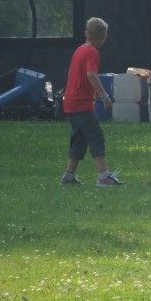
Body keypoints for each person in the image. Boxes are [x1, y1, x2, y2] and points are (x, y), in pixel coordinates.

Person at [60, 17, 124, 186]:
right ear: (103, 37)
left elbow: (78, 76)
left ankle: (68, 176)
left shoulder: (80, 49)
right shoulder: (92, 52)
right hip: (81, 103)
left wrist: (93, 91)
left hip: (71, 102)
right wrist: (104, 95)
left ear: (86, 33)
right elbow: (90, 74)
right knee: (96, 136)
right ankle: (103, 177)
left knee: (79, 139)